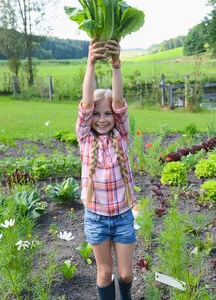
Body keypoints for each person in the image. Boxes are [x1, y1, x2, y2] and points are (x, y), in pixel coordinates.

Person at [75, 39, 136, 300]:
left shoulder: (121, 135)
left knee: (125, 274)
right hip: (96, 218)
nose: (102, 119)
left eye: (108, 114)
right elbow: (87, 104)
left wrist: (116, 65)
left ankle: (126, 296)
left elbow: (119, 101)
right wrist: (90, 63)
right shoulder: (85, 138)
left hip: (122, 216)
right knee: (104, 273)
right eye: (97, 115)